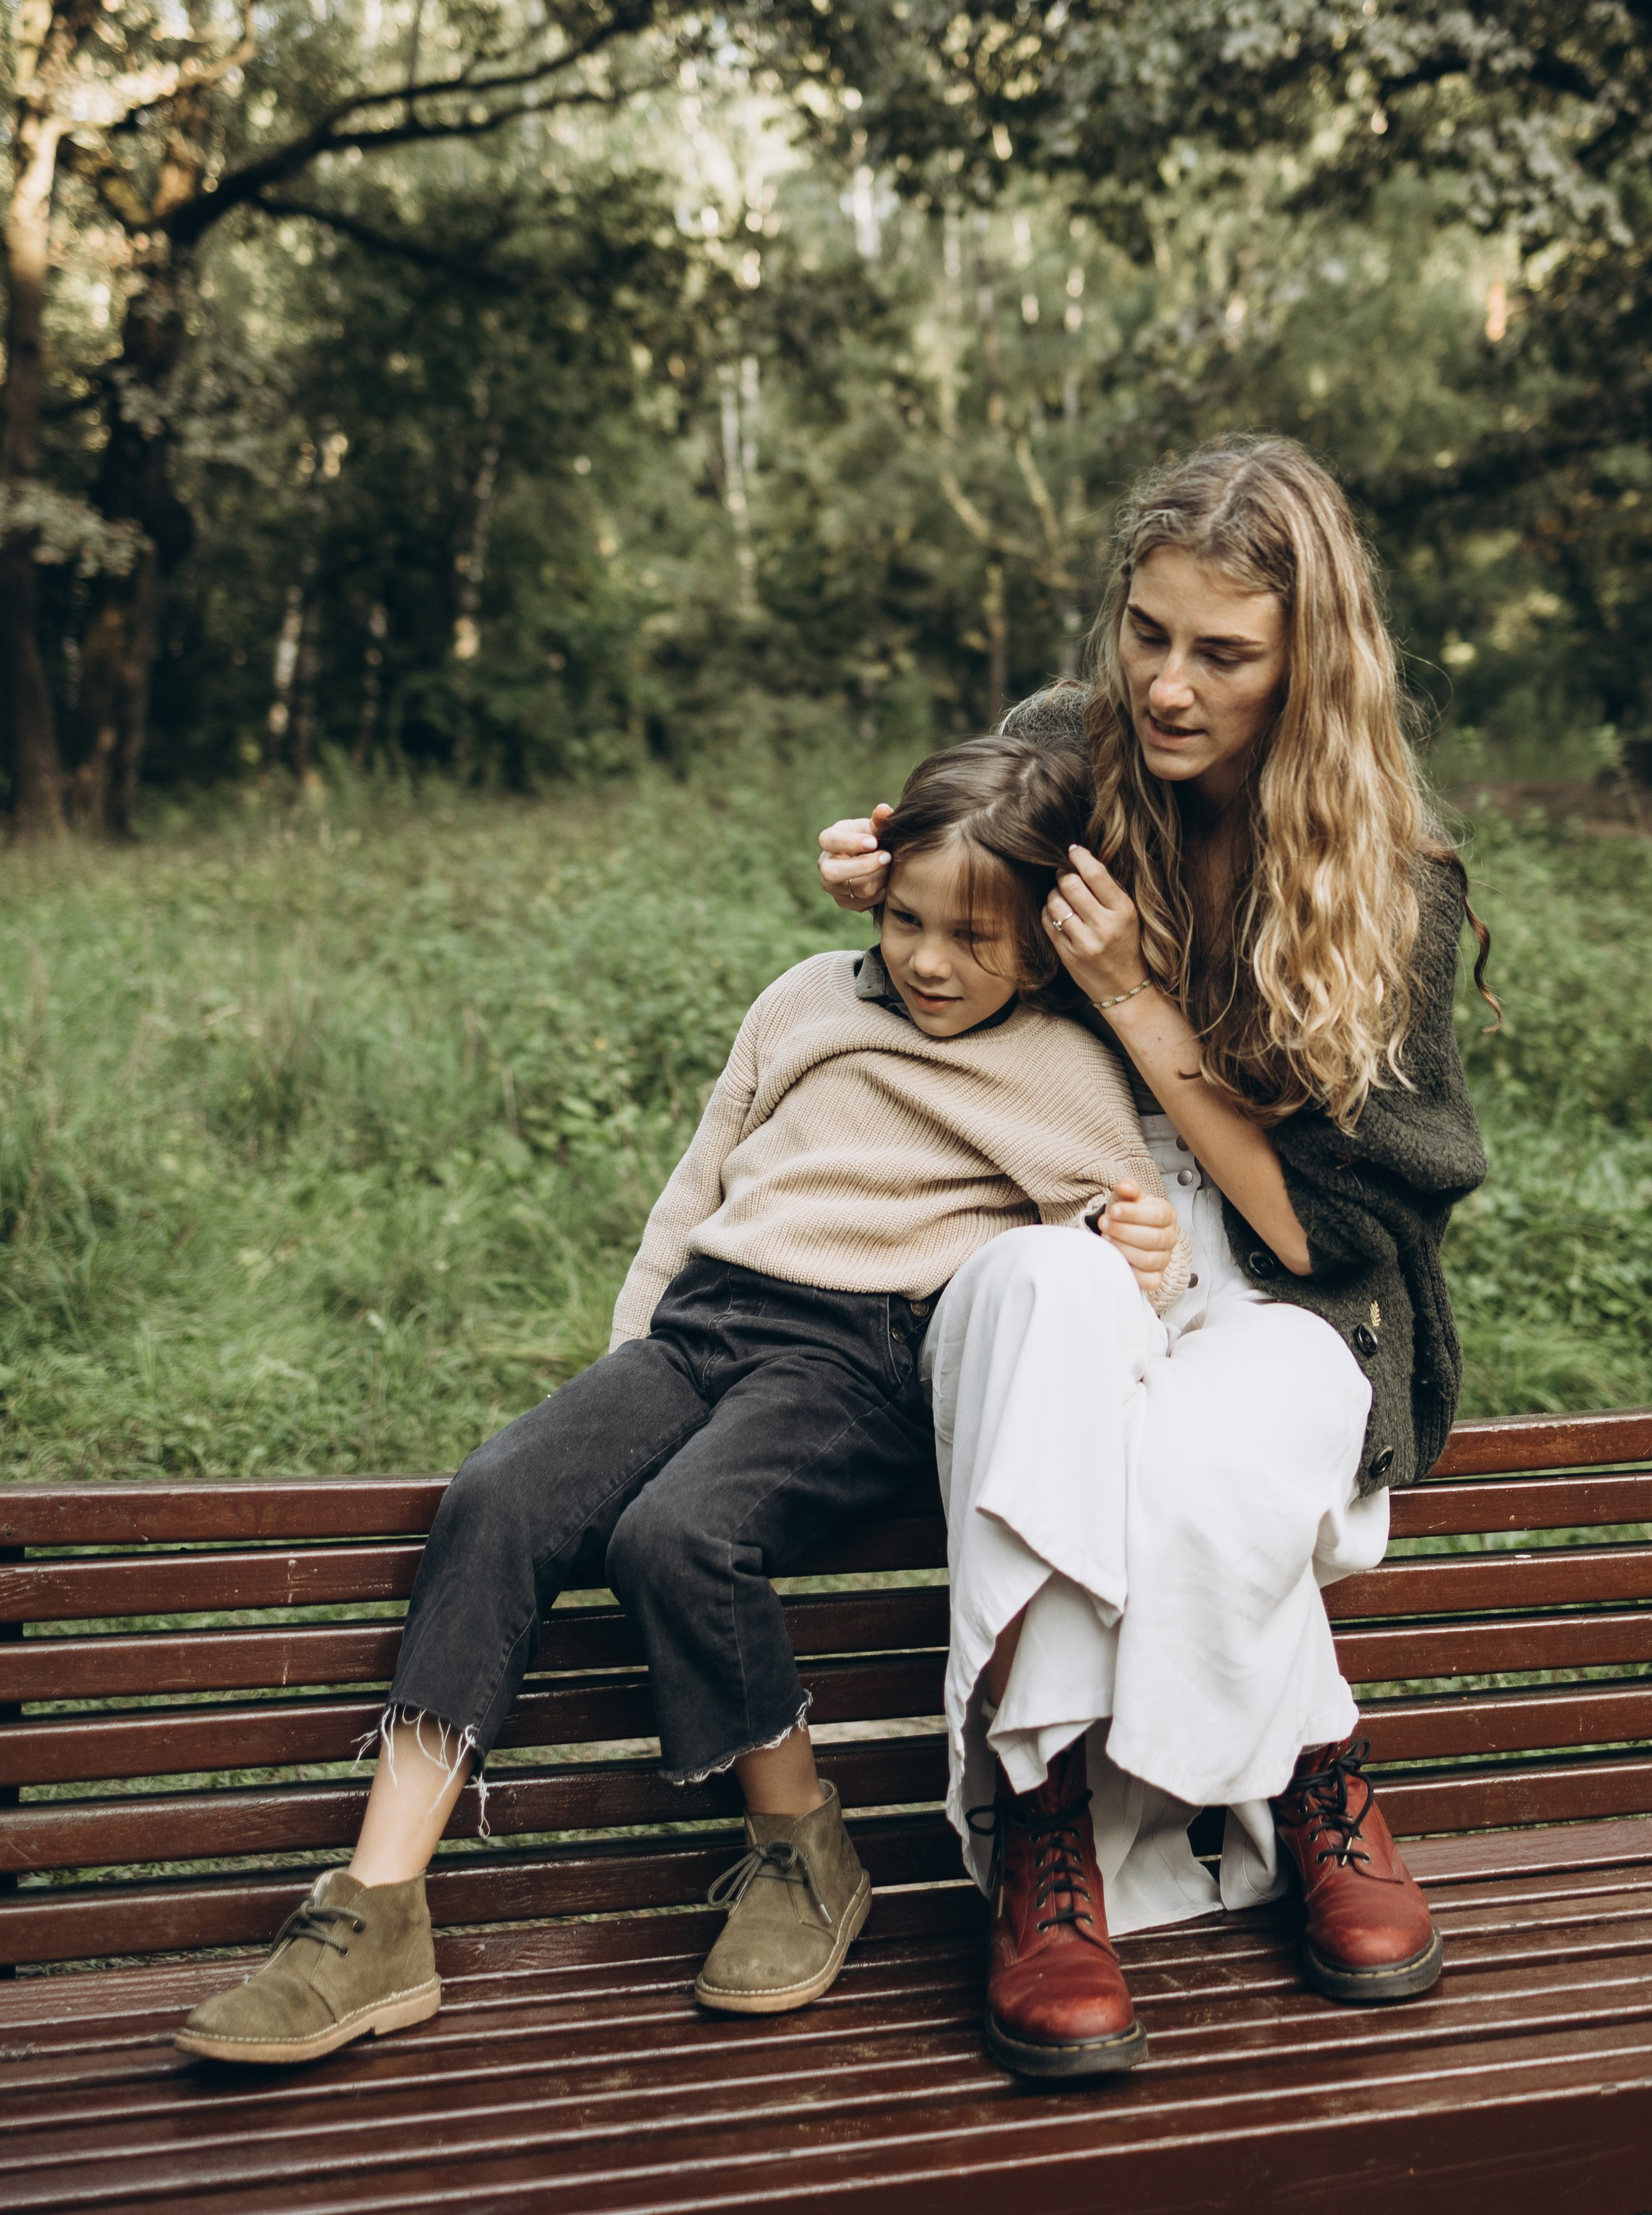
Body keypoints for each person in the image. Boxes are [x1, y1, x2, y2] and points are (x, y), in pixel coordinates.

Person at [177, 739, 1183, 2071]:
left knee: (679, 1535)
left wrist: (1146, 1271)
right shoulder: (805, 1001)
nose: (932, 960)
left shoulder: (1067, 1068)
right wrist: (628, 1368)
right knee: (506, 1490)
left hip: (865, 1362)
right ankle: (375, 1911)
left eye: (976, 938)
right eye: (908, 921)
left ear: (1048, 946)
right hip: (707, 1318)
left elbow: (1106, 1284)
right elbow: (699, 1180)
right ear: (870, 900)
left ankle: (800, 1850)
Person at [818, 434, 1494, 2082]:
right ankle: (1068, 1821)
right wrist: (894, 883)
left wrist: (1132, 992)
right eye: (1145, 632)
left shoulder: (1381, 886)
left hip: (1278, 1276)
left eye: (1221, 653)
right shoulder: (1067, 752)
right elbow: (944, 934)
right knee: (1049, 1305)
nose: (1166, 686)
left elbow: (1312, 1231)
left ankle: (1298, 1766)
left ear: (1305, 663)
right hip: (1047, 1224)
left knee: (1214, 1443)